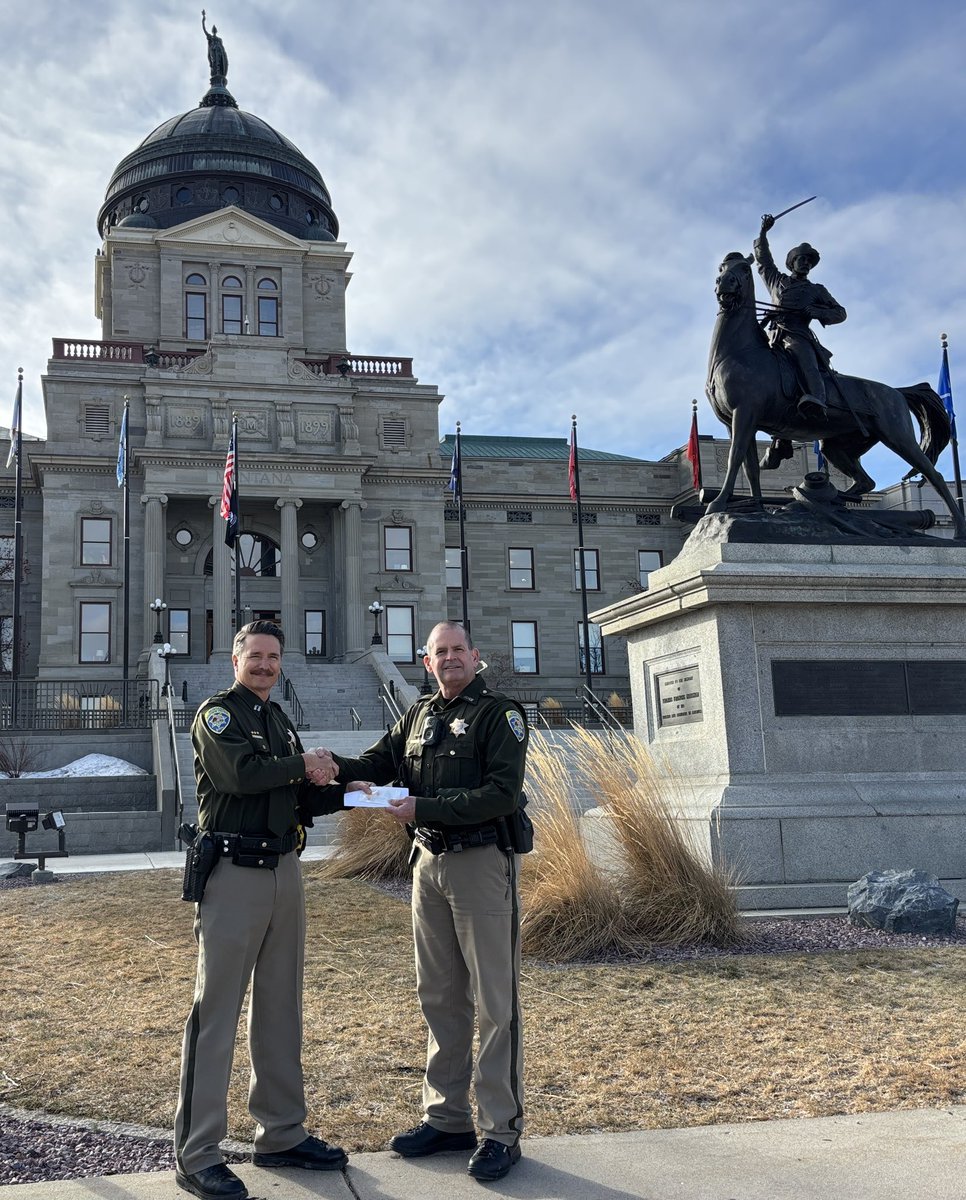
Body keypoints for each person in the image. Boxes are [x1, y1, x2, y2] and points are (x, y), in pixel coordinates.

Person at [328, 621, 529, 1182]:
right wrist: (327, 766)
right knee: (439, 995)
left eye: (457, 650)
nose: (449, 659)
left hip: (481, 864)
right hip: (428, 866)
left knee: (495, 1000)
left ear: (476, 656)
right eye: (439, 652)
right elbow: (376, 763)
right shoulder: (419, 715)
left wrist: (424, 809)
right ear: (426, 661)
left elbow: (501, 794)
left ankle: (500, 1130)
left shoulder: (499, 715)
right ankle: (447, 1118)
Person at [174, 620, 347, 1200]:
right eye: (256, 656)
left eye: (274, 657)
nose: (266, 665)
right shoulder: (216, 715)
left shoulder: (275, 717)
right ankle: (197, 1153)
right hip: (233, 876)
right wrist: (306, 764)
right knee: (216, 1012)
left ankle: (281, 1133)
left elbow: (299, 795)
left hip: (284, 871)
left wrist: (362, 783)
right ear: (234, 659)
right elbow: (241, 777)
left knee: (281, 1007)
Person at [754, 213, 847, 420]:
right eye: (801, 259)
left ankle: (817, 400)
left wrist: (818, 312)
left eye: (809, 261)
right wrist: (763, 233)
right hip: (773, 337)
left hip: (798, 335)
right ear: (792, 262)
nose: (805, 263)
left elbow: (840, 313)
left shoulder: (816, 290)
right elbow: (763, 261)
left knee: (806, 363)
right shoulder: (777, 281)